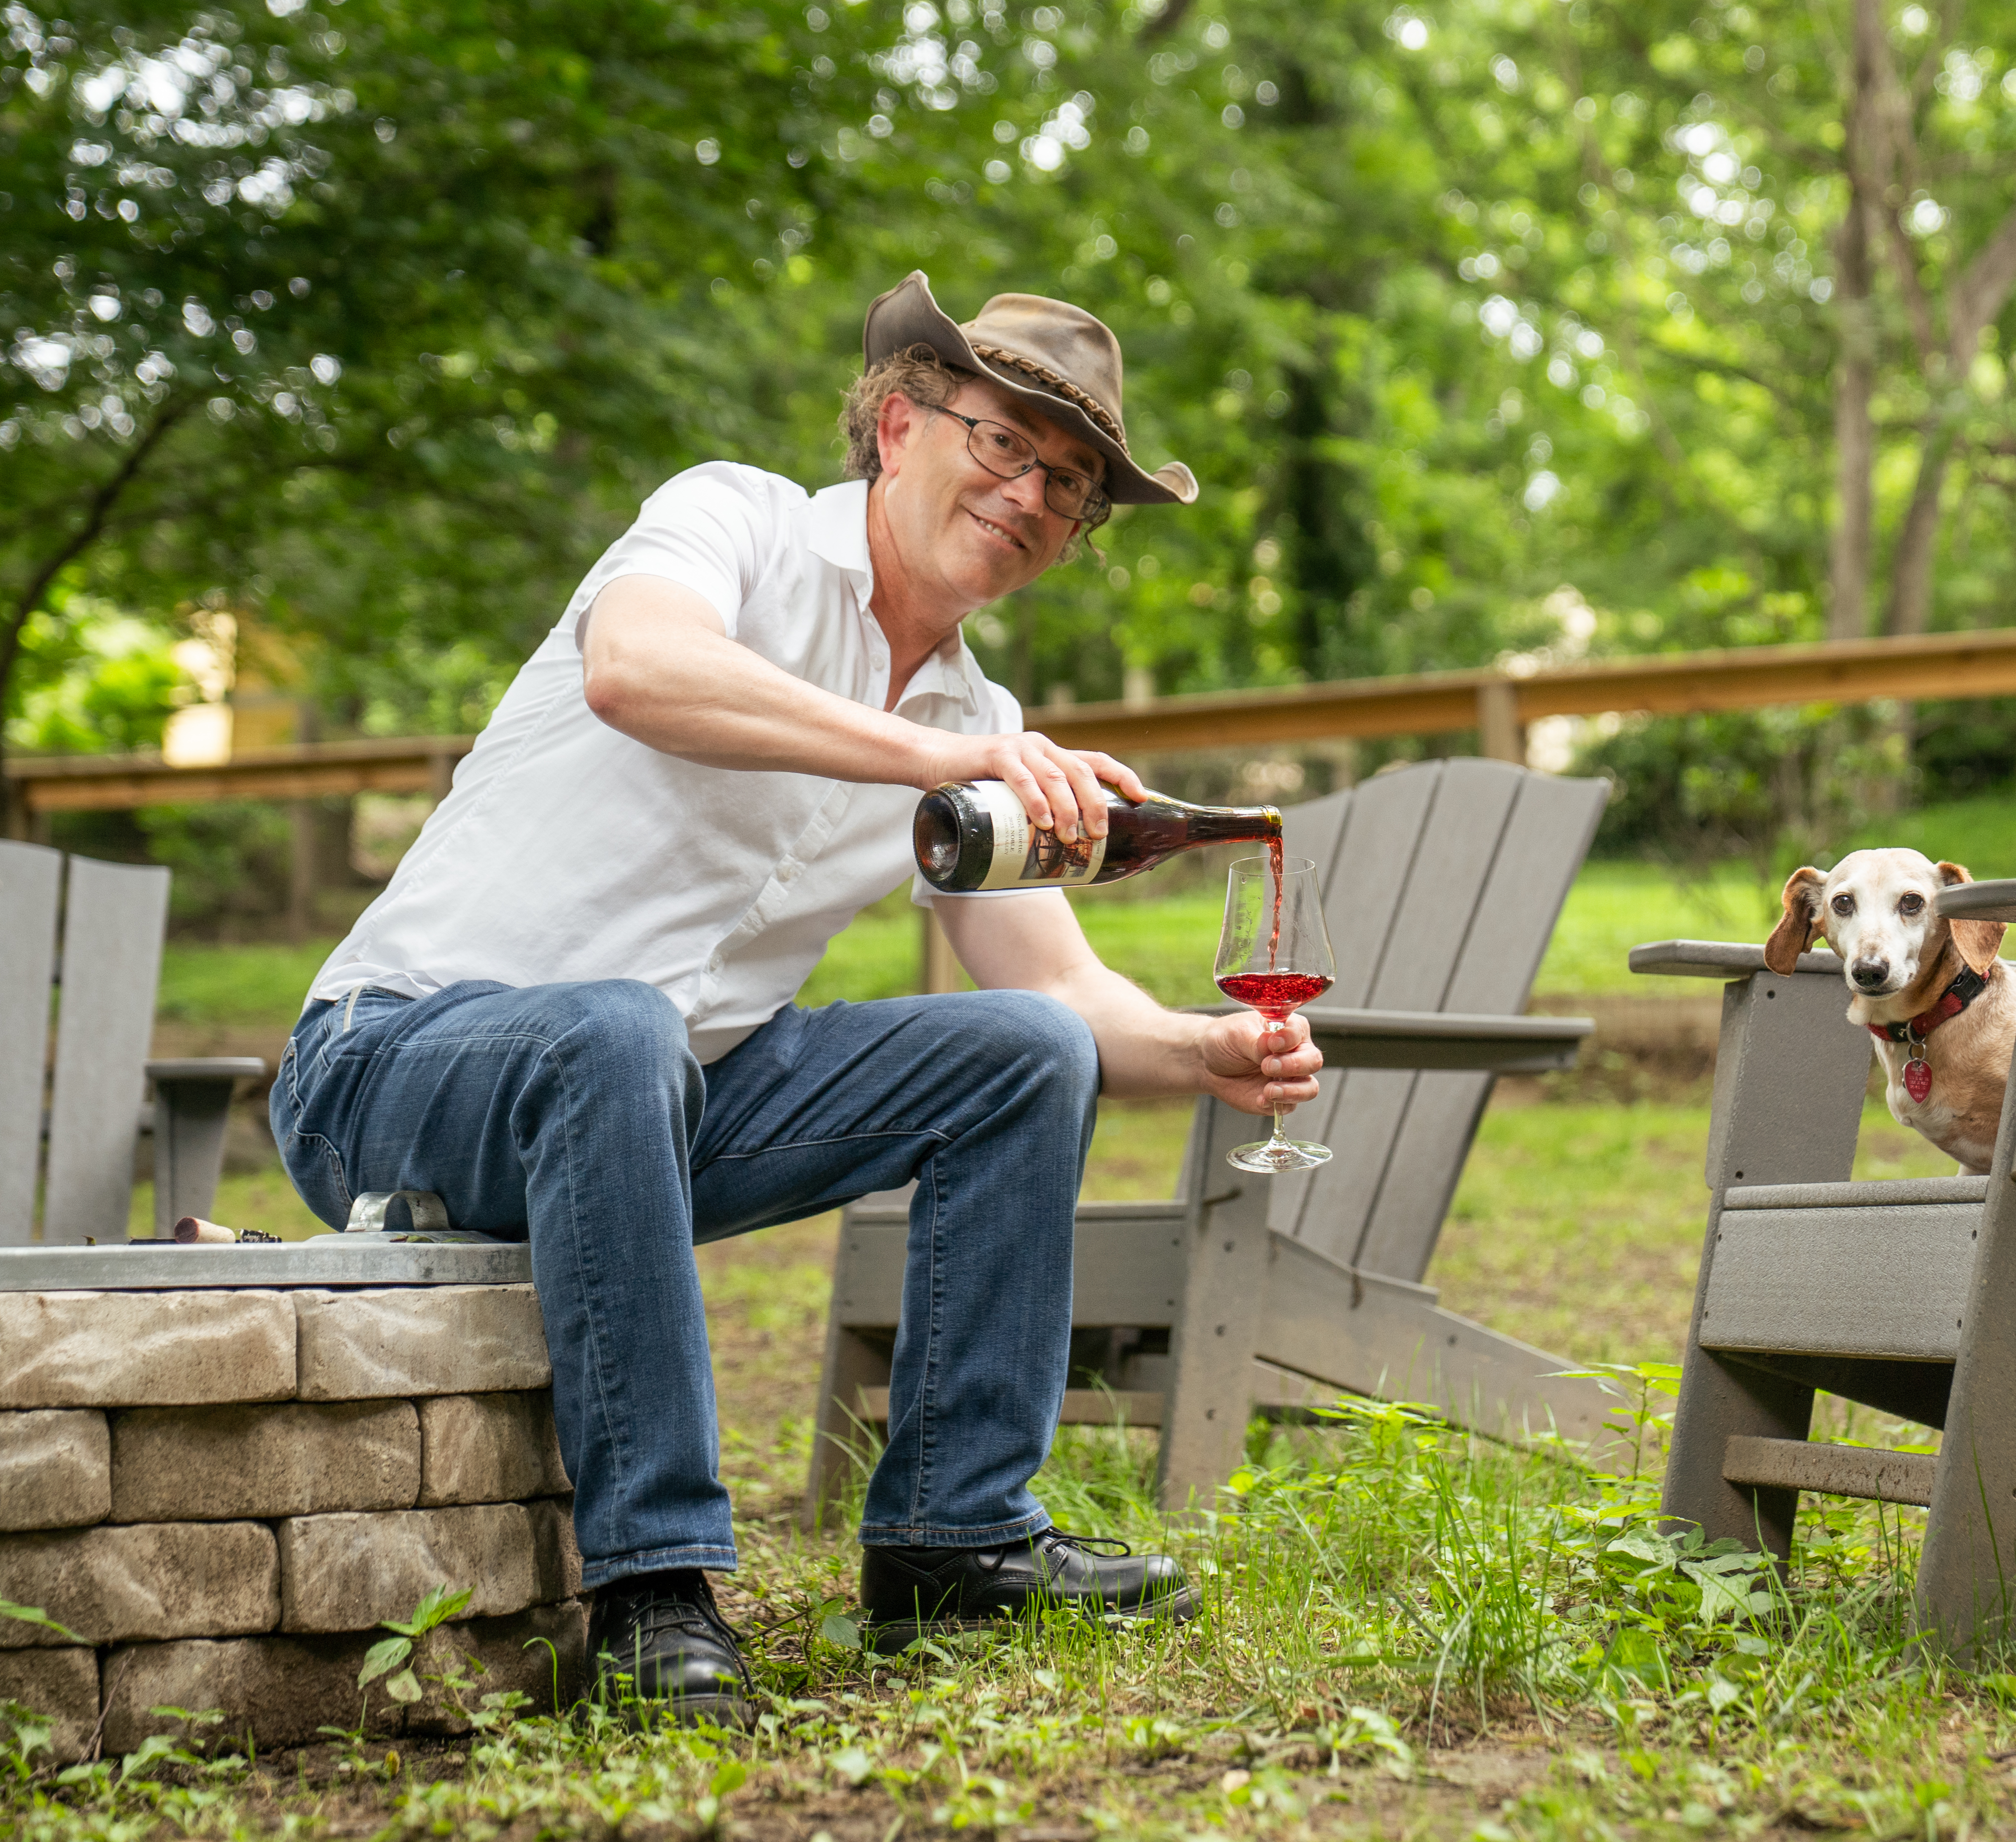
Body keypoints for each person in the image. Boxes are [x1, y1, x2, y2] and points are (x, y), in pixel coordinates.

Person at [270, 273, 1324, 1723]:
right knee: (616, 1024)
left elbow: (1060, 991)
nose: (1033, 494)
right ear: (900, 424)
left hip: (664, 1108)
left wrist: (1203, 1046)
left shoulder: (977, 723)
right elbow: (639, 671)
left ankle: (957, 1537)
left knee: (1016, 1054)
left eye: (1071, 485)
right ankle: (654, 1589)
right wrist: (927, 768)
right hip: (394, 1065)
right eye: (1006, 443)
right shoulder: (735, 520)